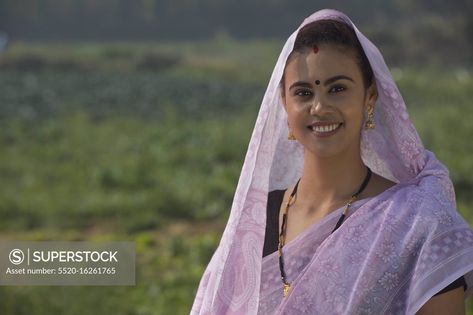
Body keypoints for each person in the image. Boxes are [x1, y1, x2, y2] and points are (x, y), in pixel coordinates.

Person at [191, 9, 473, 314]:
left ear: (370, 96)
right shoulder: (255, 223)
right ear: (285, 103)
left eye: (337, 89)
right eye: (303, 92)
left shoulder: (420, 224)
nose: (319, 107)